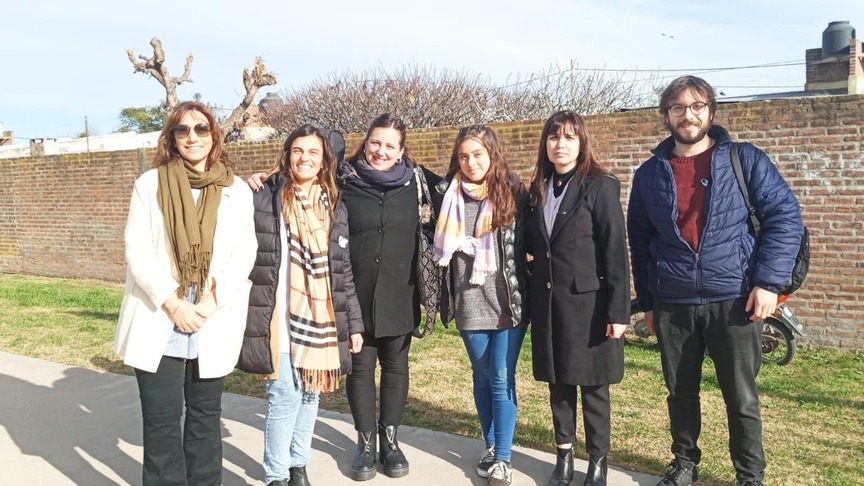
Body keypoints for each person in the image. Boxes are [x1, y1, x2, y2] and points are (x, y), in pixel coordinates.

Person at [627, 75, 805, 486]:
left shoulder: (745, 159)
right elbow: (640, 240)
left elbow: (785, 217)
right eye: (678, 108)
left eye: (696, 106)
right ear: (666, 116)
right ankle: (684, 463)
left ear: (710, 111)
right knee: (680, 393)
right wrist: (648, 302)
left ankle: (749, 475)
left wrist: (768, 283)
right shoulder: (649, 174)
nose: (687, 115)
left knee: (741, 397)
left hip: (735, 298)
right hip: (674, 302)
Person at [247, 113, 441, 482]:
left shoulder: (417, 183)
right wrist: (262, 178)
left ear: (402, 151)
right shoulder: (343, 180)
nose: (381, 151)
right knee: (362, 370)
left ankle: (391, 441)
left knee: (397, 368)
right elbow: (298, 175)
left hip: (400, 291)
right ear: (365, 142)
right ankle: (365, 443)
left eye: (390, 145)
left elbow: (465, 184)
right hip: (351, 293)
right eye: (375, 142)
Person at [114, 101, 257, 485]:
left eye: (201, 129)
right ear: (172, 138)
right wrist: (174, 305)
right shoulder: (150, 184)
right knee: (160, 422)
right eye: (182, 130)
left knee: (205, 422)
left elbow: (246, 252)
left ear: (214, 135)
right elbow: (137, 249)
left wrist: (209, 304)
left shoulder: (237, 190)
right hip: (160, 313)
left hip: (212, 317)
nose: (192, 136)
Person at [237, 125, 364, 486]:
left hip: (321, 316)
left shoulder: (335, 205)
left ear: (325, 159)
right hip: (277, 311)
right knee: (284, 394)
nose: (304, 158)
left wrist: (353, 324)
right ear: (287, 154)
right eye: (297, 150)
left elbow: (344, 271)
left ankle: (298, 465)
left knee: (311, 392)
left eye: (312, 152)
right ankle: (276, 476)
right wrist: (243, 185)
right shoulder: (265, 195)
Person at [526, 110, 630, 486]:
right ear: (546, 145)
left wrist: (619, 311)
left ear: (581, 142)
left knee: (594, 387)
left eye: (569, 137)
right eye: (554, 138)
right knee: (560, 384)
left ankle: (598, 462)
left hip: (591, 307)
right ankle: (564, 456)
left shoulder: (600, 186)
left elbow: (615, 251)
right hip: (550, 306)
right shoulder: (538, 189)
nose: (561, 145)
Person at [433, 125, 529, 486]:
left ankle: (503, 459)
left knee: (502, 378)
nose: (471, 163)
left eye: (477, 154)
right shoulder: (447, 194)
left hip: (508, 303)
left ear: (492, 153)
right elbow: (402, 171)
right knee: (482, 375)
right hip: (468, 302)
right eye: (463, 156)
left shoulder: (514, 192)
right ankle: (492, 445)